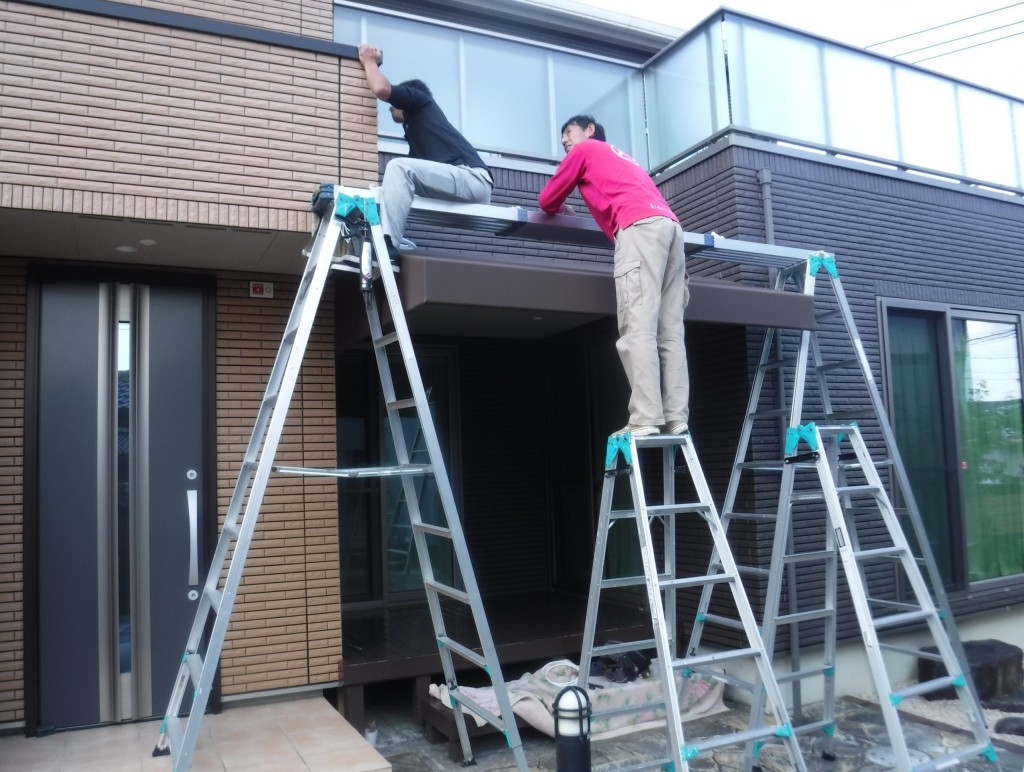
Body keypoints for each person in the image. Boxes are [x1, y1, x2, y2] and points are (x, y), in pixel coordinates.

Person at [538, 114, 689, 437]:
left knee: (638, 326)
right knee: (671, 331)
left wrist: (560, 206)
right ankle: (677, 417)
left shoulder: (586, 150)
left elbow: (547, 199)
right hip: (671, 229)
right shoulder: (623, 157)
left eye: (568, 132)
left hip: (639, 229)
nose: (564, 141)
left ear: (589, 131)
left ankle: (646, 418)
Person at [357, 44, 494, 259]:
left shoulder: (420, 101)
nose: (390, 108)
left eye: (395, 103)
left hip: (473, 178)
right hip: (459, 183)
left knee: (397, 167)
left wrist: (369, 61)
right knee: (390, 186)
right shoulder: (417, 139)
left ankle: (389, 245)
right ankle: (385, 240)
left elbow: (381, 89)